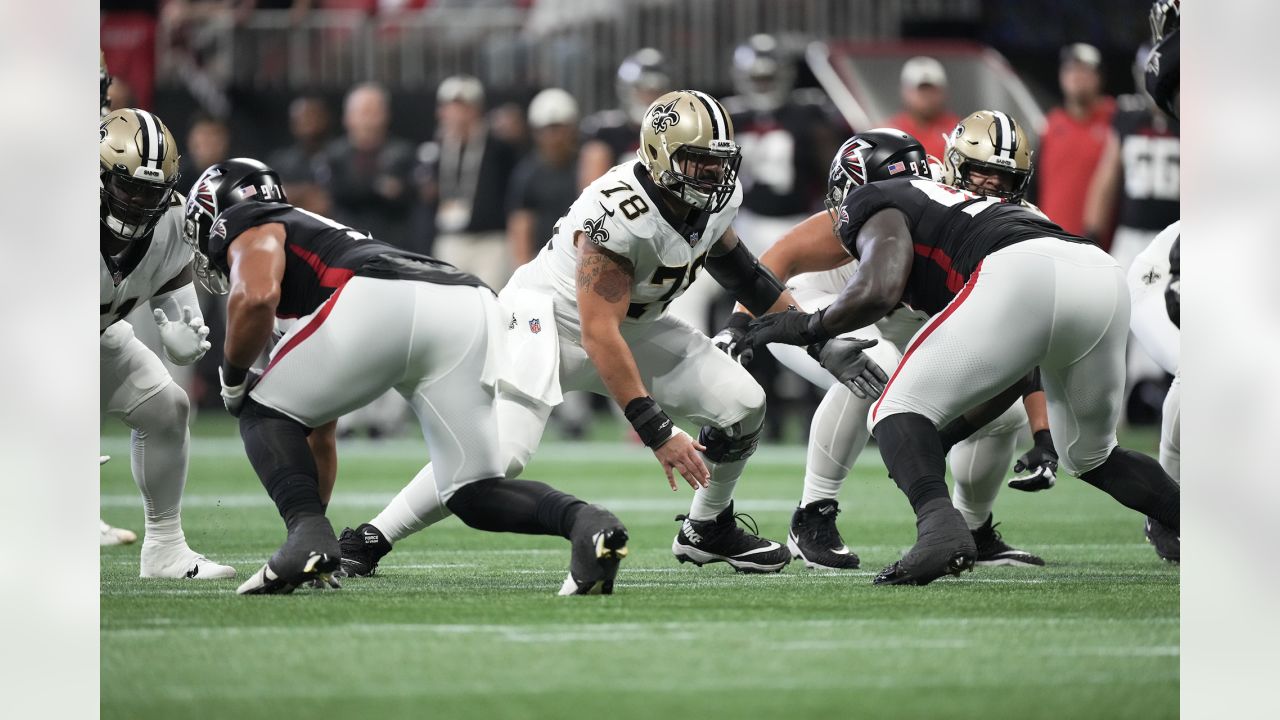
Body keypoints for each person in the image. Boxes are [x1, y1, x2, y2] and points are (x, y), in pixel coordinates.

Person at [342, 90, 820, 577]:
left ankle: (707, 529)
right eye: (698, 162)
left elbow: (744, 275)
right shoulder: (617, 213)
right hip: (545, 324)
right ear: (659, 157)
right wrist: (657, 432)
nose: (714, 175)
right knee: (496, 459)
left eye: (720, 162)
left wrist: (818, 336)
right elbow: (598, 334)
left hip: (628, 325)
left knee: (743, 402)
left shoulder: (713, 198)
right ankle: (369, 538)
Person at [742, 128, 1180, 585]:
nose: (989, 182)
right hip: (1099, 271)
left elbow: (879, 290)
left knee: (894, 405)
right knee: (1092, 455)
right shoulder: (985, 205)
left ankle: (941, 532)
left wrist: (805, 327)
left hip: (1018, 271)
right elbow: (1013, 369)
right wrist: (948, 437)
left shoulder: (876, 197)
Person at [183, 158, 629, 596]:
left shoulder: (249, 220)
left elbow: (256, 296)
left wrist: (233, 379)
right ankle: (586, 523)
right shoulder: (312, 236)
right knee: (471, 493)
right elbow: (319, 434)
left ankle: (305, 537)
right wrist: (314, 538)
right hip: (465, 301)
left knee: (260, 408)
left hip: (377, 295)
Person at [716, 114, 1052, 571]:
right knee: (873, 367)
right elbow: (781, 258)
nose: (991, 185)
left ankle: (973, 530)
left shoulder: (1004, 224)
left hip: (896, 325)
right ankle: (812, 514)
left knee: (1001, 411)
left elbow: (1022, 344)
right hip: (819, 308)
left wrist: (1041, 432)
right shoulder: (899, 199)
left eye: (1004, 177)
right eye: (980, 173)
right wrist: (740, 325)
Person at [99, 108, 235, 579]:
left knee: (167, 408)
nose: (137, 202)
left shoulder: (173, 217)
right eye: (127, 186)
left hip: (97, 337)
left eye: (149, 191)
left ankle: (164, 549)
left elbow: (179, 296)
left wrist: (185, 339)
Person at [423, 75, 522, 289]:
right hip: (450, 238)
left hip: (490, 241)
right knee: (449, 304)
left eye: (461, 106)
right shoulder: (436, 149)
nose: (454, 113)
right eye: (449, 107)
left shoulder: (498, 147)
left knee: (490, 300)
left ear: (476, 109)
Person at [316, 83, 416, 251]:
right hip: (344, 244)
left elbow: (410, 196)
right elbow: (330, 195)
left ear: (386, 115)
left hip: (392, 244)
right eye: (363, 112)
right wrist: (378, 187)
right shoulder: (333, 156)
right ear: (347, 117)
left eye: (374, 112)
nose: (368, 120)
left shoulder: (403, 154)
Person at [1034, 43, 1115, 238]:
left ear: (1098, 78)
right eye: (1070, 70)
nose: (1077, 77)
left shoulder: (1115, 119)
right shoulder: (1050, 125)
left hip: (1100, 244)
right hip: (1051, 237)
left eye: (1084, 70)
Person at [506, 88, 581, 266]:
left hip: (583, 257)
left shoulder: (586, 165)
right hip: (543, 262)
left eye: (558, 129)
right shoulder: (527, 174)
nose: (552, 137)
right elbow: (521, 225)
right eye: (546, 130)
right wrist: (523, 269)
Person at [577, 48, 670, 188]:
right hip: (617, 204)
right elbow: (590, 190)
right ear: (629, 91)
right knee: (596, 153)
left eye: (658, 90)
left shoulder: (674, 130)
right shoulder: (608, 132)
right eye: (645, 90)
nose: (651, 98)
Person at [883, 56, 959, 160]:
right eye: (921, 90)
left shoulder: (958, 131)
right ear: (905, 92)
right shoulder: (888, 135)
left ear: (944, 92)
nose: (927, 96)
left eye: (932, 90)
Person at [267, 95, 332, 214]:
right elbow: (268, 195)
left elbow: (330, 201)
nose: (309, 122)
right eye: (302, 118)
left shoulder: (338, 157)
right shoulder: (281, 161)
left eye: (313, 116)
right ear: (293, 123)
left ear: (325, 119)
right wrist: (305, 191)